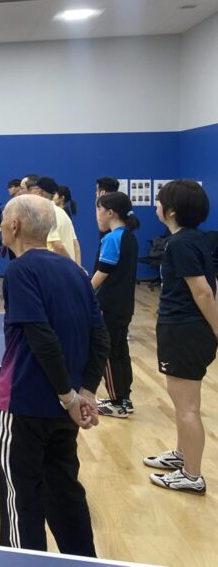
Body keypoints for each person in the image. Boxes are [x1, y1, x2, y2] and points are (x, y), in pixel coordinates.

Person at [0, 194, 109, 556]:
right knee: (64, 492)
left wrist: (69, 397)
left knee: (21, 499)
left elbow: (41, 337)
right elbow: (100, 336)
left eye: (4, 219)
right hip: (65, 412)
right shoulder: (75, 272)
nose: (0, 225)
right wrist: (85, 392)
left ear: (14, 226)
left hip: (24, 404)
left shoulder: (19, 271)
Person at [144, 180, 217, 494]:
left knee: (187, 407)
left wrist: (217, 328)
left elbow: (203, 291)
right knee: (183, 402)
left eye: (160, 201)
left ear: (171, 210)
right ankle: (182, 454)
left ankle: (192, 475)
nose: (156, 205)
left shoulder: (180, 244)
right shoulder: (193, 238)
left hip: (184, 331)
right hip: (184, 329)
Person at [91, 192, 139, 419]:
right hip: (125, 305)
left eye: (99, 209)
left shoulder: (112, 239)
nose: (97, 214)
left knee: (108, 352)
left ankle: (117, 402)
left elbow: (103, 272)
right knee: (120, 351)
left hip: (109, 304)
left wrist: (85, 292)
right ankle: (124, 399)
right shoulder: (129, 236)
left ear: (110, 213)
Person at [30, 176, 81, 265]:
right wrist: (77, 267)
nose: (29, 193)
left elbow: (58, 245)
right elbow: (75, 244)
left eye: (32, 189)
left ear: (39, 192)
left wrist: (72, 267)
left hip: (56, 268)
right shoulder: (63, 213)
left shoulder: (46, 214)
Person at [93, 177, 121, 273]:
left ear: (103, 192)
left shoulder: (109, 208)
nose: (96, 193)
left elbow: (102, 227)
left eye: (97, 190)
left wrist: (98, 204)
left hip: (108, 250)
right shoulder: (119, 203)